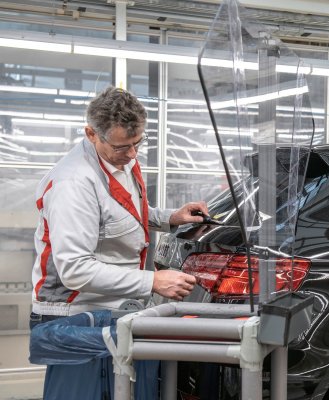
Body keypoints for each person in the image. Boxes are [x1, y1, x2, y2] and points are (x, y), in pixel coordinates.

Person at [30, 86, 209, 398]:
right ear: (91, 134)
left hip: (114, 304)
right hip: (77, 313)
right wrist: (152, 281)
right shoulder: (74, 184)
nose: (132, 154)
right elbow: (74, 269)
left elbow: (119, 213)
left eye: (138, 143)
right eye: (122, 147)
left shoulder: (121, 159)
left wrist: (170, 218)